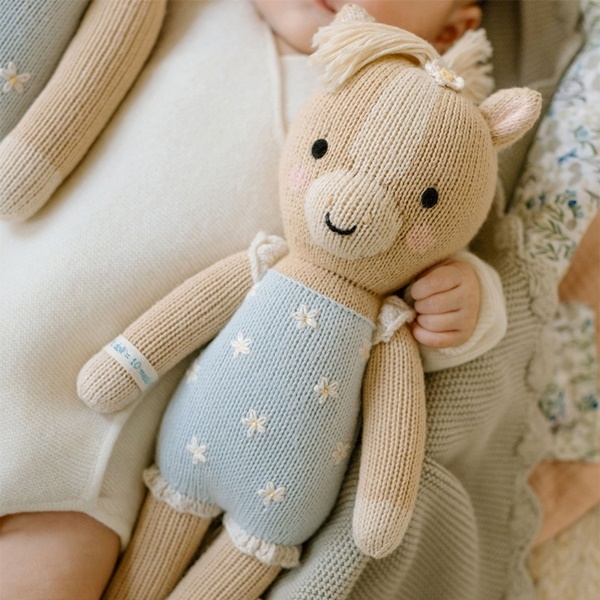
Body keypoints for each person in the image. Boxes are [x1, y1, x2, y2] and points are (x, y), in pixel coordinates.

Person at [0, 1, 551, 598]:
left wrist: (465, 303)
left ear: (452, 29)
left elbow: (428, 255)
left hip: (86, 454)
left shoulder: (428, 134)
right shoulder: (192, 11)